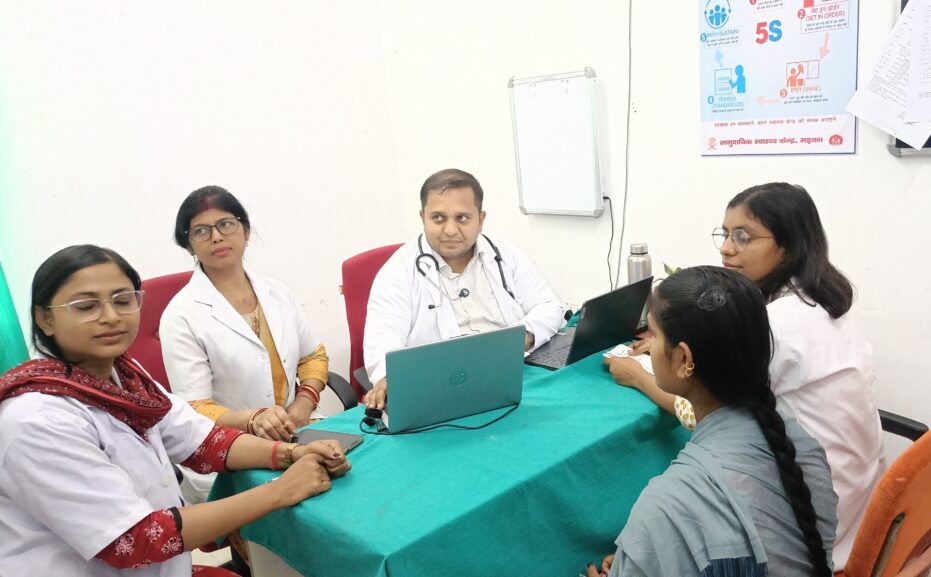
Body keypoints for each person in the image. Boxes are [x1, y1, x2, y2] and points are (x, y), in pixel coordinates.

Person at [0, 245, 350, 576]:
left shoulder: (125, 376)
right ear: (45, 319)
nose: (111, 316)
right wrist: (280, 491)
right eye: (86, 306)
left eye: (123, 300)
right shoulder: (37, 420)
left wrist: (291, 452)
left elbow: (203, 441)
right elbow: (133, 539)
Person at [604, 183, 882, 570]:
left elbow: (706, 402)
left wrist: (640, 377)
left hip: (810, 516)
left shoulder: (777, 328)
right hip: (848, 493)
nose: (726, 248)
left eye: (742, 236)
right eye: (724, 234)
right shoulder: (817, 301)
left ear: (788, 244)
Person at [587, 266, 838, 577]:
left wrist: (645, 555)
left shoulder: (666, 508)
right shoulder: (803, 447)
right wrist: (650, 557)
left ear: (684, 360)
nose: (648, 343)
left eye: (653, 334)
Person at [160, 186, 331, 503]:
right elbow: (195, 408)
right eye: (201, 231)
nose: (216, 237)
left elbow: (314, 356)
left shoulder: (276, 292)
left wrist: (303, 404)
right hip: (230, 452)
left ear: (246, 230)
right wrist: (254, 419)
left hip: (298, 431)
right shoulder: (181, 315)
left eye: (226, 224)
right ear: (189, 245)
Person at [363, 168, 564, 409]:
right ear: (423, 217)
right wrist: (387, 378)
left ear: (481, 219)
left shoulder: (506, 255)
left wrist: (524, 337)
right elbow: (382, 340)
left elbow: (549, 306)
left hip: (513, 376)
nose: (450, 230)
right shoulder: (397, 271)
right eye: (438, 218)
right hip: (443, 390)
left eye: (462, 218)